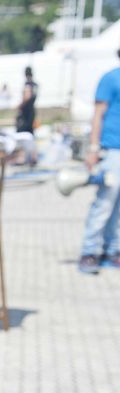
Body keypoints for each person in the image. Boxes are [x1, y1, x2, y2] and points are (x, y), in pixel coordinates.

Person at [78, 50, 120, 274]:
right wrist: (93, 148)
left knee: (119, 207)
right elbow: (98, 114)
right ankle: (89, 251)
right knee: (104, 203)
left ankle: (113, 250)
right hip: (113, 150)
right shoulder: (111, 78)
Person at [14, 67, 39, 166]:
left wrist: (19, 106)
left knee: (22, 135)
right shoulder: (36, 84)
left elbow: (27, 96)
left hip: (26, 113)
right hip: (32, 111)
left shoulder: (27, 84)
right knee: (31, 134)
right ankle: (33, 157)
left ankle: (23, 157)